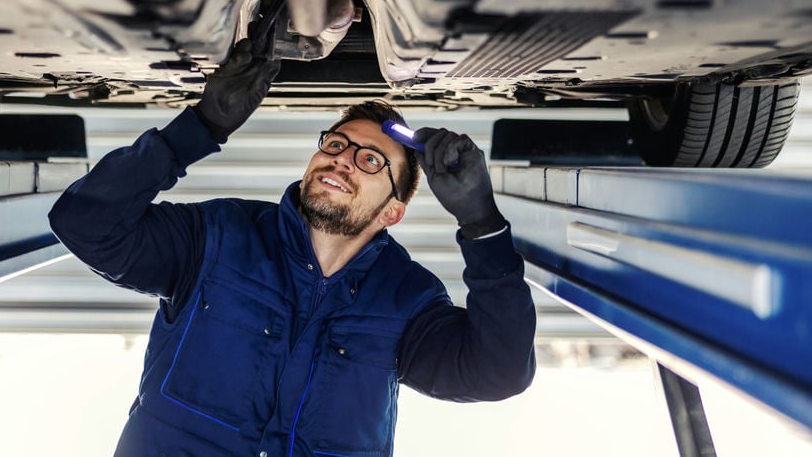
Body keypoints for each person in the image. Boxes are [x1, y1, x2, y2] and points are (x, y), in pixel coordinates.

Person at [48, 39, 536, 457]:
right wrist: (200, 126)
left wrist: (482, 224)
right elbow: (86, 223)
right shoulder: (217, 237)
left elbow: (499, 371)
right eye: (335, 145)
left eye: (370, 160)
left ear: (393, 211)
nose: (343, 160)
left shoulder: (406, 301)